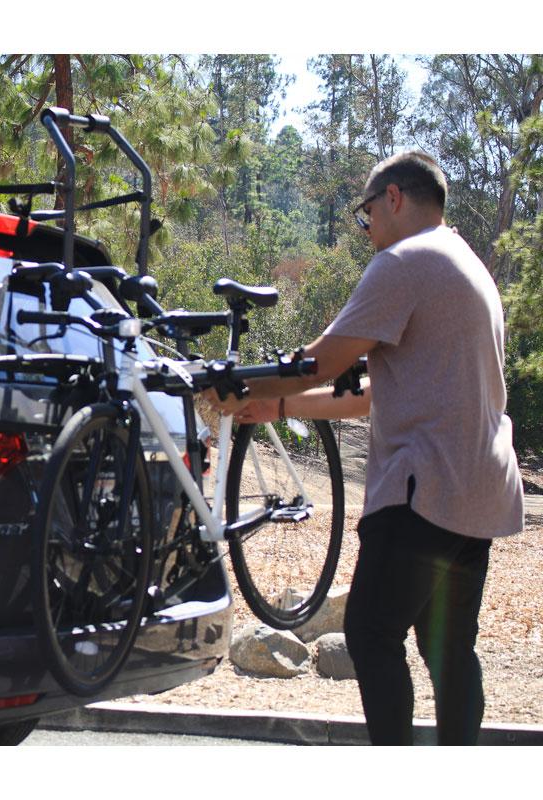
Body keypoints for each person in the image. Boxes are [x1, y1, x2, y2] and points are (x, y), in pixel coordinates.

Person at [206, 151, 524, 746]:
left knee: (372, 635)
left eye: (366, 212)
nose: (367, 227)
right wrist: (277, 406)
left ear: (395, 198)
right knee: (450, 650)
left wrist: (235, 386)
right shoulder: (467, 265)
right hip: (477, 491)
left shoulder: (404, 261)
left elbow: (318, 362)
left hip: (424, 488)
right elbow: (378, 392)